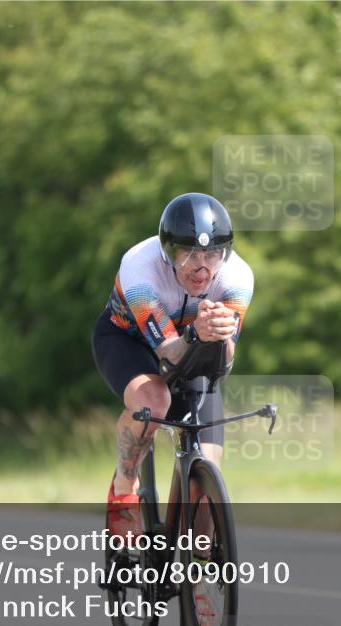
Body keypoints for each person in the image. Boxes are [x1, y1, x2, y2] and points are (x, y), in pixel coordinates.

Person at [92, 193, 254, 541]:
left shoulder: (237, 277)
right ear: (168, 251)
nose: (202, 267)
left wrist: (222, 337)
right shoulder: (139, 266)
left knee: (209, 464)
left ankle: (200, 569)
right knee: (154, 403)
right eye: (190, 254)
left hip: (192, 345)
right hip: (128, 341)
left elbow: (223, 363)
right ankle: (125, 483)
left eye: (212, 254)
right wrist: (197, 332)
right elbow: (167, 352)